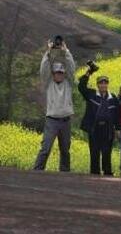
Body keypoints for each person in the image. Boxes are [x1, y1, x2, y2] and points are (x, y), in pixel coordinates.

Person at [33, 38, 76, 172]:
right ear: (53, 73)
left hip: (66, 121)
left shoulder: (68, 83)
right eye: (57, 72)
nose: (59, 74)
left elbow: (71, 67)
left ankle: (65, 174)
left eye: (61, 72)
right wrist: (48, 51)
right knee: (45, 148)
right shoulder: (48, 83)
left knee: (65, 150)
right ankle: (37, 171)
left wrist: (66, 51)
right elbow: (43, 69)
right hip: (52, 120)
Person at [78, 66, 120, 176]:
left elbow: (117, 114)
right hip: (94, 128)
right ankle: (94, 174)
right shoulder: (91, 94)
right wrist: (88, 73)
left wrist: (118, 129)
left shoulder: (113, 98)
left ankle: (107, 174)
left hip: (108, 129)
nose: (103, 85)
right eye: (101, 83)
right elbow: (81, 86)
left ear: (108, 84)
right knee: (94, 153)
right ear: (97, 85)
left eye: (105, 83)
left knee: (107, 153)